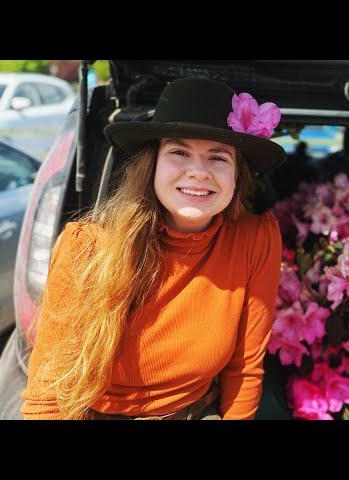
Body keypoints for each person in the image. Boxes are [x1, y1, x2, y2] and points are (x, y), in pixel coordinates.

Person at [20, 78, 286, 420]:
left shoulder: (255, 239)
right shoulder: (86, 247)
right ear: (152, 164)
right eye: (179, 152)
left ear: (237, 175)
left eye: (218, 158)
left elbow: (245, 370)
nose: (198, 172)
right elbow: (48, 398)